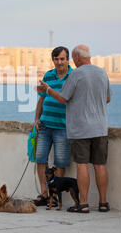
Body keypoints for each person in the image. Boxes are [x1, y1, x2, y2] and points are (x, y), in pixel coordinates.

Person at [37, 45, 111, 213]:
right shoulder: (102, 72)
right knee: (100, 165)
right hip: (100, 128)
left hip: (81, 128)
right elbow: (107, 98)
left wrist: (48, 89)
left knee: (82, 165)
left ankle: (83, 204)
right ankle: (103, 203)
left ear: (76, 58)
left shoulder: (76, 74)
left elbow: (62, 98)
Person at [32, 46, 73, 207]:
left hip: (63, 127)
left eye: (62, 59)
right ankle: (43, 194)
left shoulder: (73, 76)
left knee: (60, 162)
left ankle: (54, 197)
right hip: (44, 125)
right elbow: (41, 99)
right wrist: (36, 119)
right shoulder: (48, 75)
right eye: (56, 59)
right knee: (40, 159)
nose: (59, 62)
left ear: (67, 59)